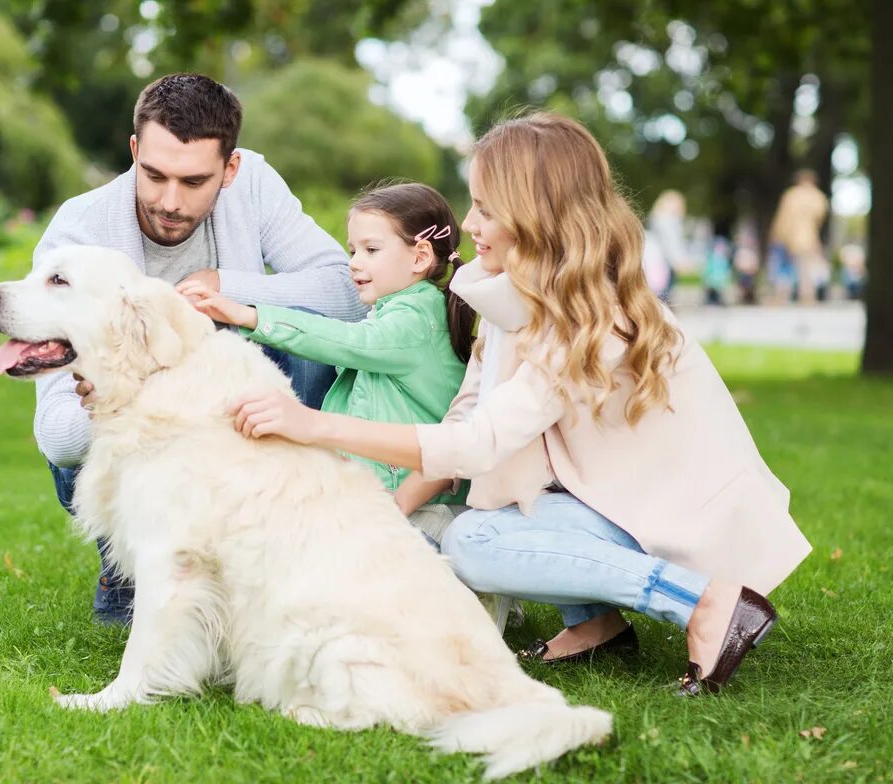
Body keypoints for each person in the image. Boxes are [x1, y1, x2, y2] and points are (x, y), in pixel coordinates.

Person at [227, 113, 812, 696]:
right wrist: (390, 507)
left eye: (486, 208)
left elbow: (480, 445)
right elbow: (466, 415)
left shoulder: (592, 314)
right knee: (467, 527)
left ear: (537, 215)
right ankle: (595, 626)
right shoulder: (514, 291)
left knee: (476, 541)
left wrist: (316, 425)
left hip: (670, 512)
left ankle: (705, 604)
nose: (470, 222)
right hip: (603, 498)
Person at [32, 73, 365, 625]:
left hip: (236, 411)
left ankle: (281, 552)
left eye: (193, 182)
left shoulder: (253, 183)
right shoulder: (79, 234)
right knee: (85, 432)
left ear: (229, 170)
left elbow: (348, 294)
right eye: (154, 175)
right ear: (134, 150)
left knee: (305, 334)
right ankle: (129, 569)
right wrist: (122, 385)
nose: (169, 201)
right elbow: (59, 438)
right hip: (148, 434)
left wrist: (229, 289)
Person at [180, 182, 474, 545]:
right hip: (389, 499)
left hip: (424, 511)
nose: (354, 263)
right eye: (353, 250)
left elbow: (343, 341)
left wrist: (247, 315)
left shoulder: (416, 318)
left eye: (371, 250)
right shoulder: (397, 312)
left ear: (419, 257)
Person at [769, 169, 830, 305]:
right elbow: (820, 216)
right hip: (809, 235)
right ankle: (807, 296)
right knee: (806, 268)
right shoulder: (818, 197)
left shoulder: (791, 195)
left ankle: (782, 295)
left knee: (785, 267)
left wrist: (778, 234)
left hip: (790, 236)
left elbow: (783, 218)